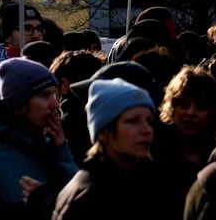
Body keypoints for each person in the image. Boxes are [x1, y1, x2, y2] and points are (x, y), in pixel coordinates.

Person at [0, 57, 77, 220]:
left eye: (54, 94)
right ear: (19, 102)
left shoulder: (49, 146)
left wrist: (62, 152)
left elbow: (79, 204)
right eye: (44, 95)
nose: (55, 104)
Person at [53, 78, 171, 218]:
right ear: (104, 132)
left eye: (149, 121)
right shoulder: (91, 197)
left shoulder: (141, 181)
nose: (147, 130)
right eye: (133, 121)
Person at [153, 65, 216, 215]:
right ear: (172, 106)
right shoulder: (155, 152)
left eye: (200, 107)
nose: (191, 113)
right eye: (184, 105)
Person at [0, 2, 45, 91]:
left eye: (39, 29)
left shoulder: (53, 65)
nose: (36, 35)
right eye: (26, 28)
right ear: (7, 37)